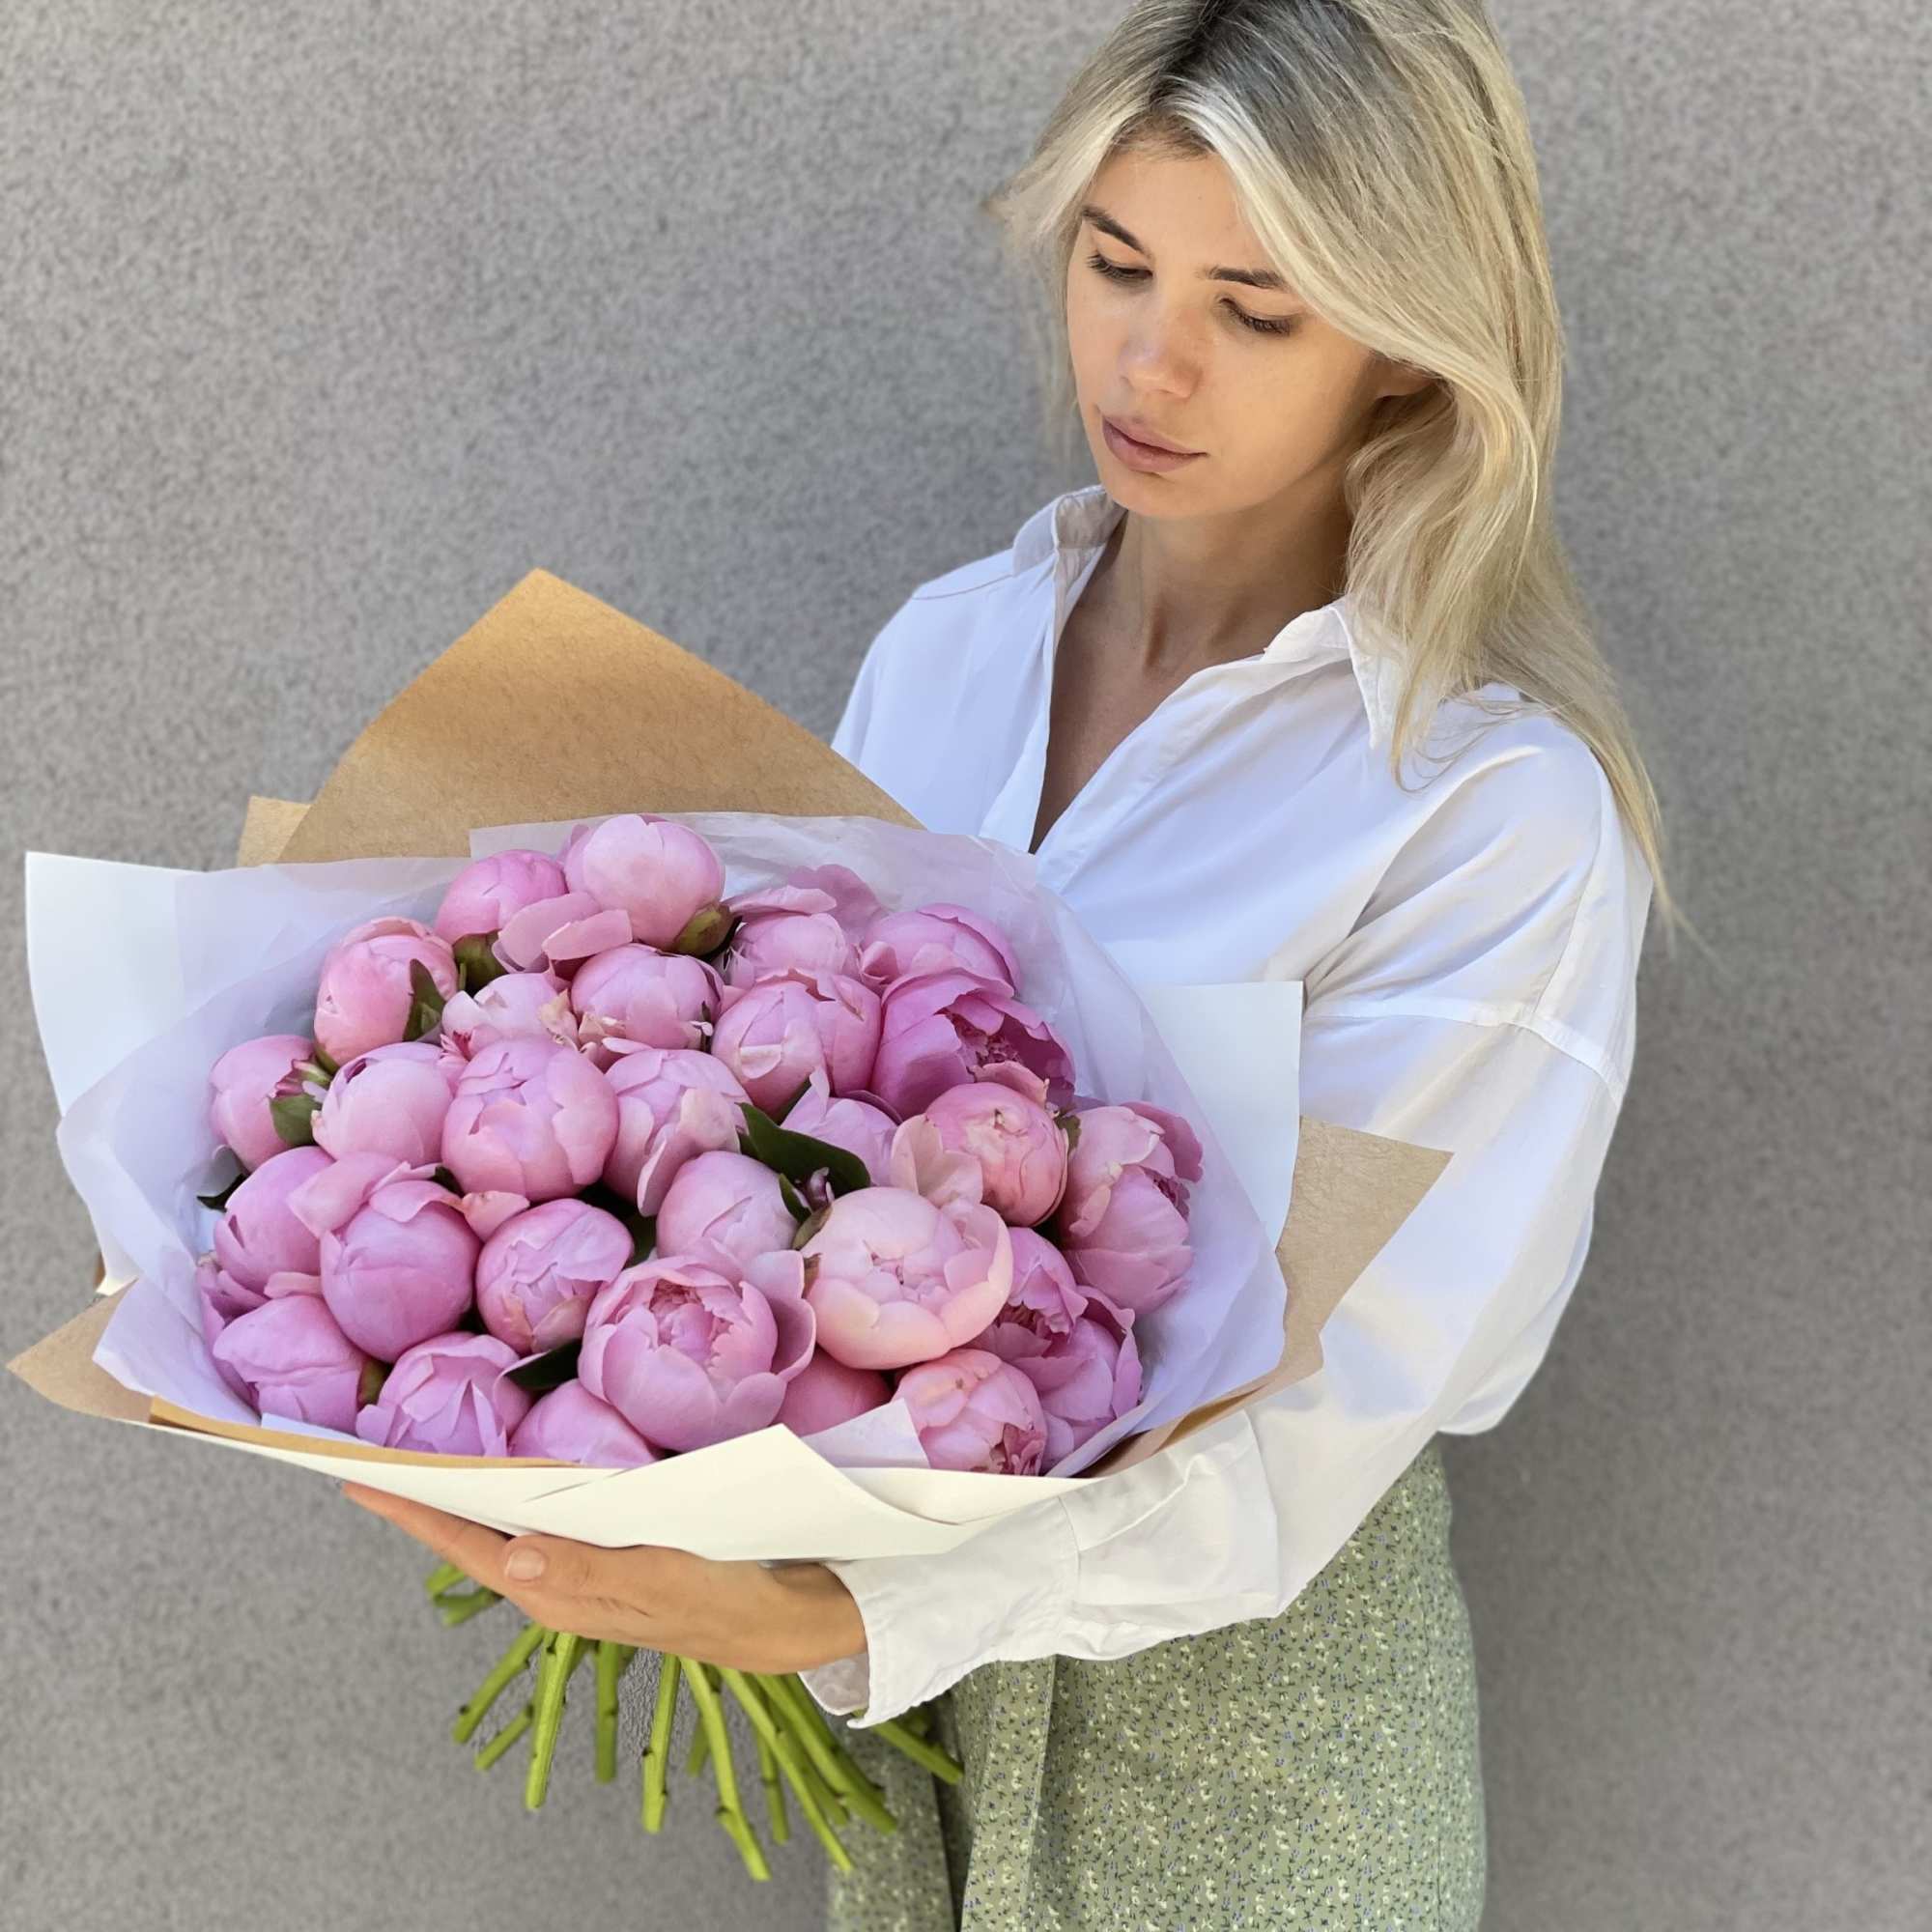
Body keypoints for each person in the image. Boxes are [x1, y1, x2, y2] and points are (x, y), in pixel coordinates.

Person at [795, 3, 1698, 1926]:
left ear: (1401, 345)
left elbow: (1348, 1400)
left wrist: (827, 1600)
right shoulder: (946, 657)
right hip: (884, 1715)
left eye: (1257, 307)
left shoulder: (1477, 807)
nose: (1150, 355)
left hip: (1246, 1739)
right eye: (1111, 263)